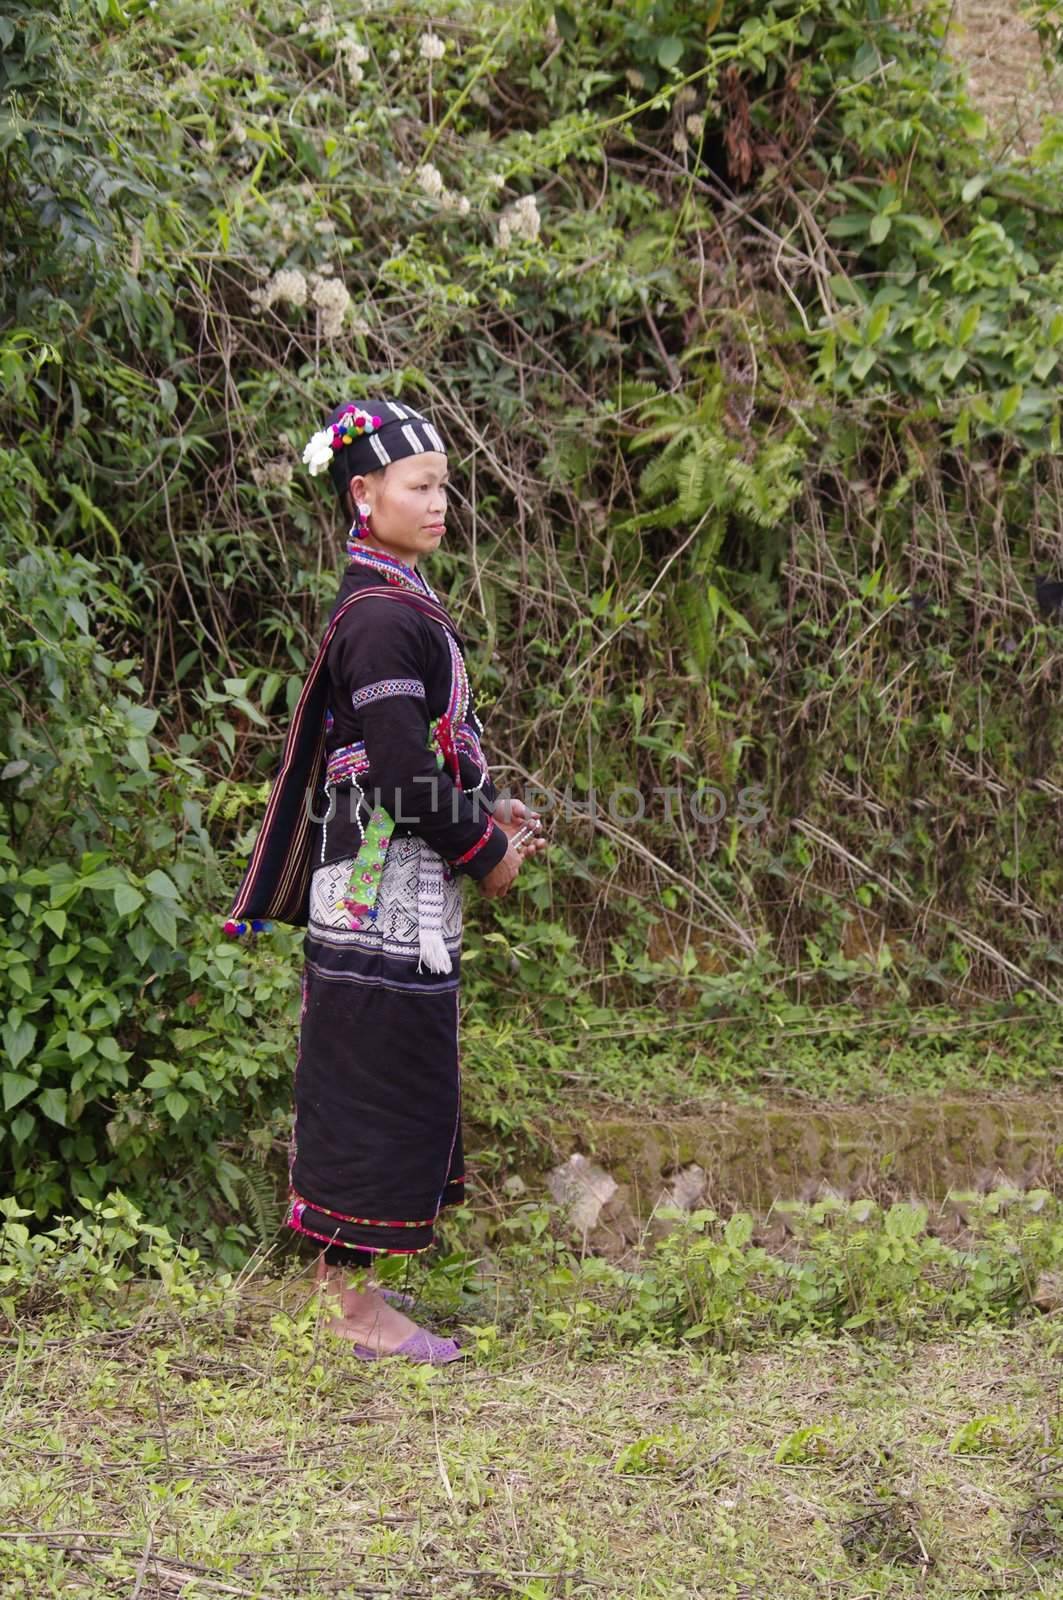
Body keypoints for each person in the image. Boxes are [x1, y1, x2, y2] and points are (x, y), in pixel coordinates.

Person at [225, 399, 545, 1365]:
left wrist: (487, 808)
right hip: (375, 891)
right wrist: (486, 856)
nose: (439, 502)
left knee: (383, 1065)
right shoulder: (376, 618)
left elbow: (415, 757)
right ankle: (352, 1313)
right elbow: (405, 778)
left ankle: (348, 1288)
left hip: (391, 885)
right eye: (420, 485)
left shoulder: (395, 600)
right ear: (363, 495)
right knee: (372, 1076)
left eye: (443, 483)